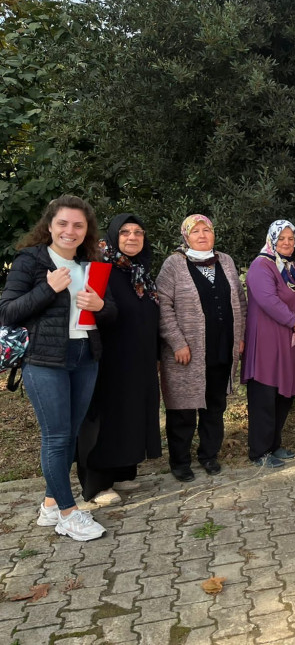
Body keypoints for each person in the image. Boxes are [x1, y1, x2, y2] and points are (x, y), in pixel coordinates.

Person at [0, 195, 117, 541]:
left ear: (86, 231)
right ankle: (69, 513)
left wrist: (100, 306)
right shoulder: (30, 261)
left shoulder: (90, 263)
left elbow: (110, 313)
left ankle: (51, 504)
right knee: (56, 436)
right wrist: (47, 289)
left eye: (78, 225)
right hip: (45, 360)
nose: (70, 230)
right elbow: (7, 311)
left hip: (85, 356)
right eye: (63, 223)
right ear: (49, 225)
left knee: (71, 432)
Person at [76, 213, 161, 506]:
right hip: (108, 360)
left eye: (139, 232)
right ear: (114, 236)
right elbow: (92, 314)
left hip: (137, 359)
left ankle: (121, 471)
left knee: (130, 415)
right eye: (125, 232)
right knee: (105, 420)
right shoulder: (100, 268)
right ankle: (96, 484)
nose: (133, 237)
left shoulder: (139, 270)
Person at [157, 214, 246, 482]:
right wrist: (178, 342)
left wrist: (239, 336)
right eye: (195, 231)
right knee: (183, 411)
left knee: (214, 406)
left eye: (207, 229)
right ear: (186, 236)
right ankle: (180, 461)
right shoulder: (174, 264)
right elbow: (163, 305)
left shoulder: (226, 261)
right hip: (186, 354)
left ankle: (209, 455)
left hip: (221, 348)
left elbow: (240, 301)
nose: (202, 235)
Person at [242, 220, 295, 469]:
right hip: (267, 341)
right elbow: (268, 301)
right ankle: (259, 451)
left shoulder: (294, 269)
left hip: (290, 341)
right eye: (282, 238)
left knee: (284, 394)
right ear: (271, 238)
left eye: (292, 238)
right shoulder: (261, 266)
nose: (287, 242)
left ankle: (274, 444)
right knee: (265, 394)